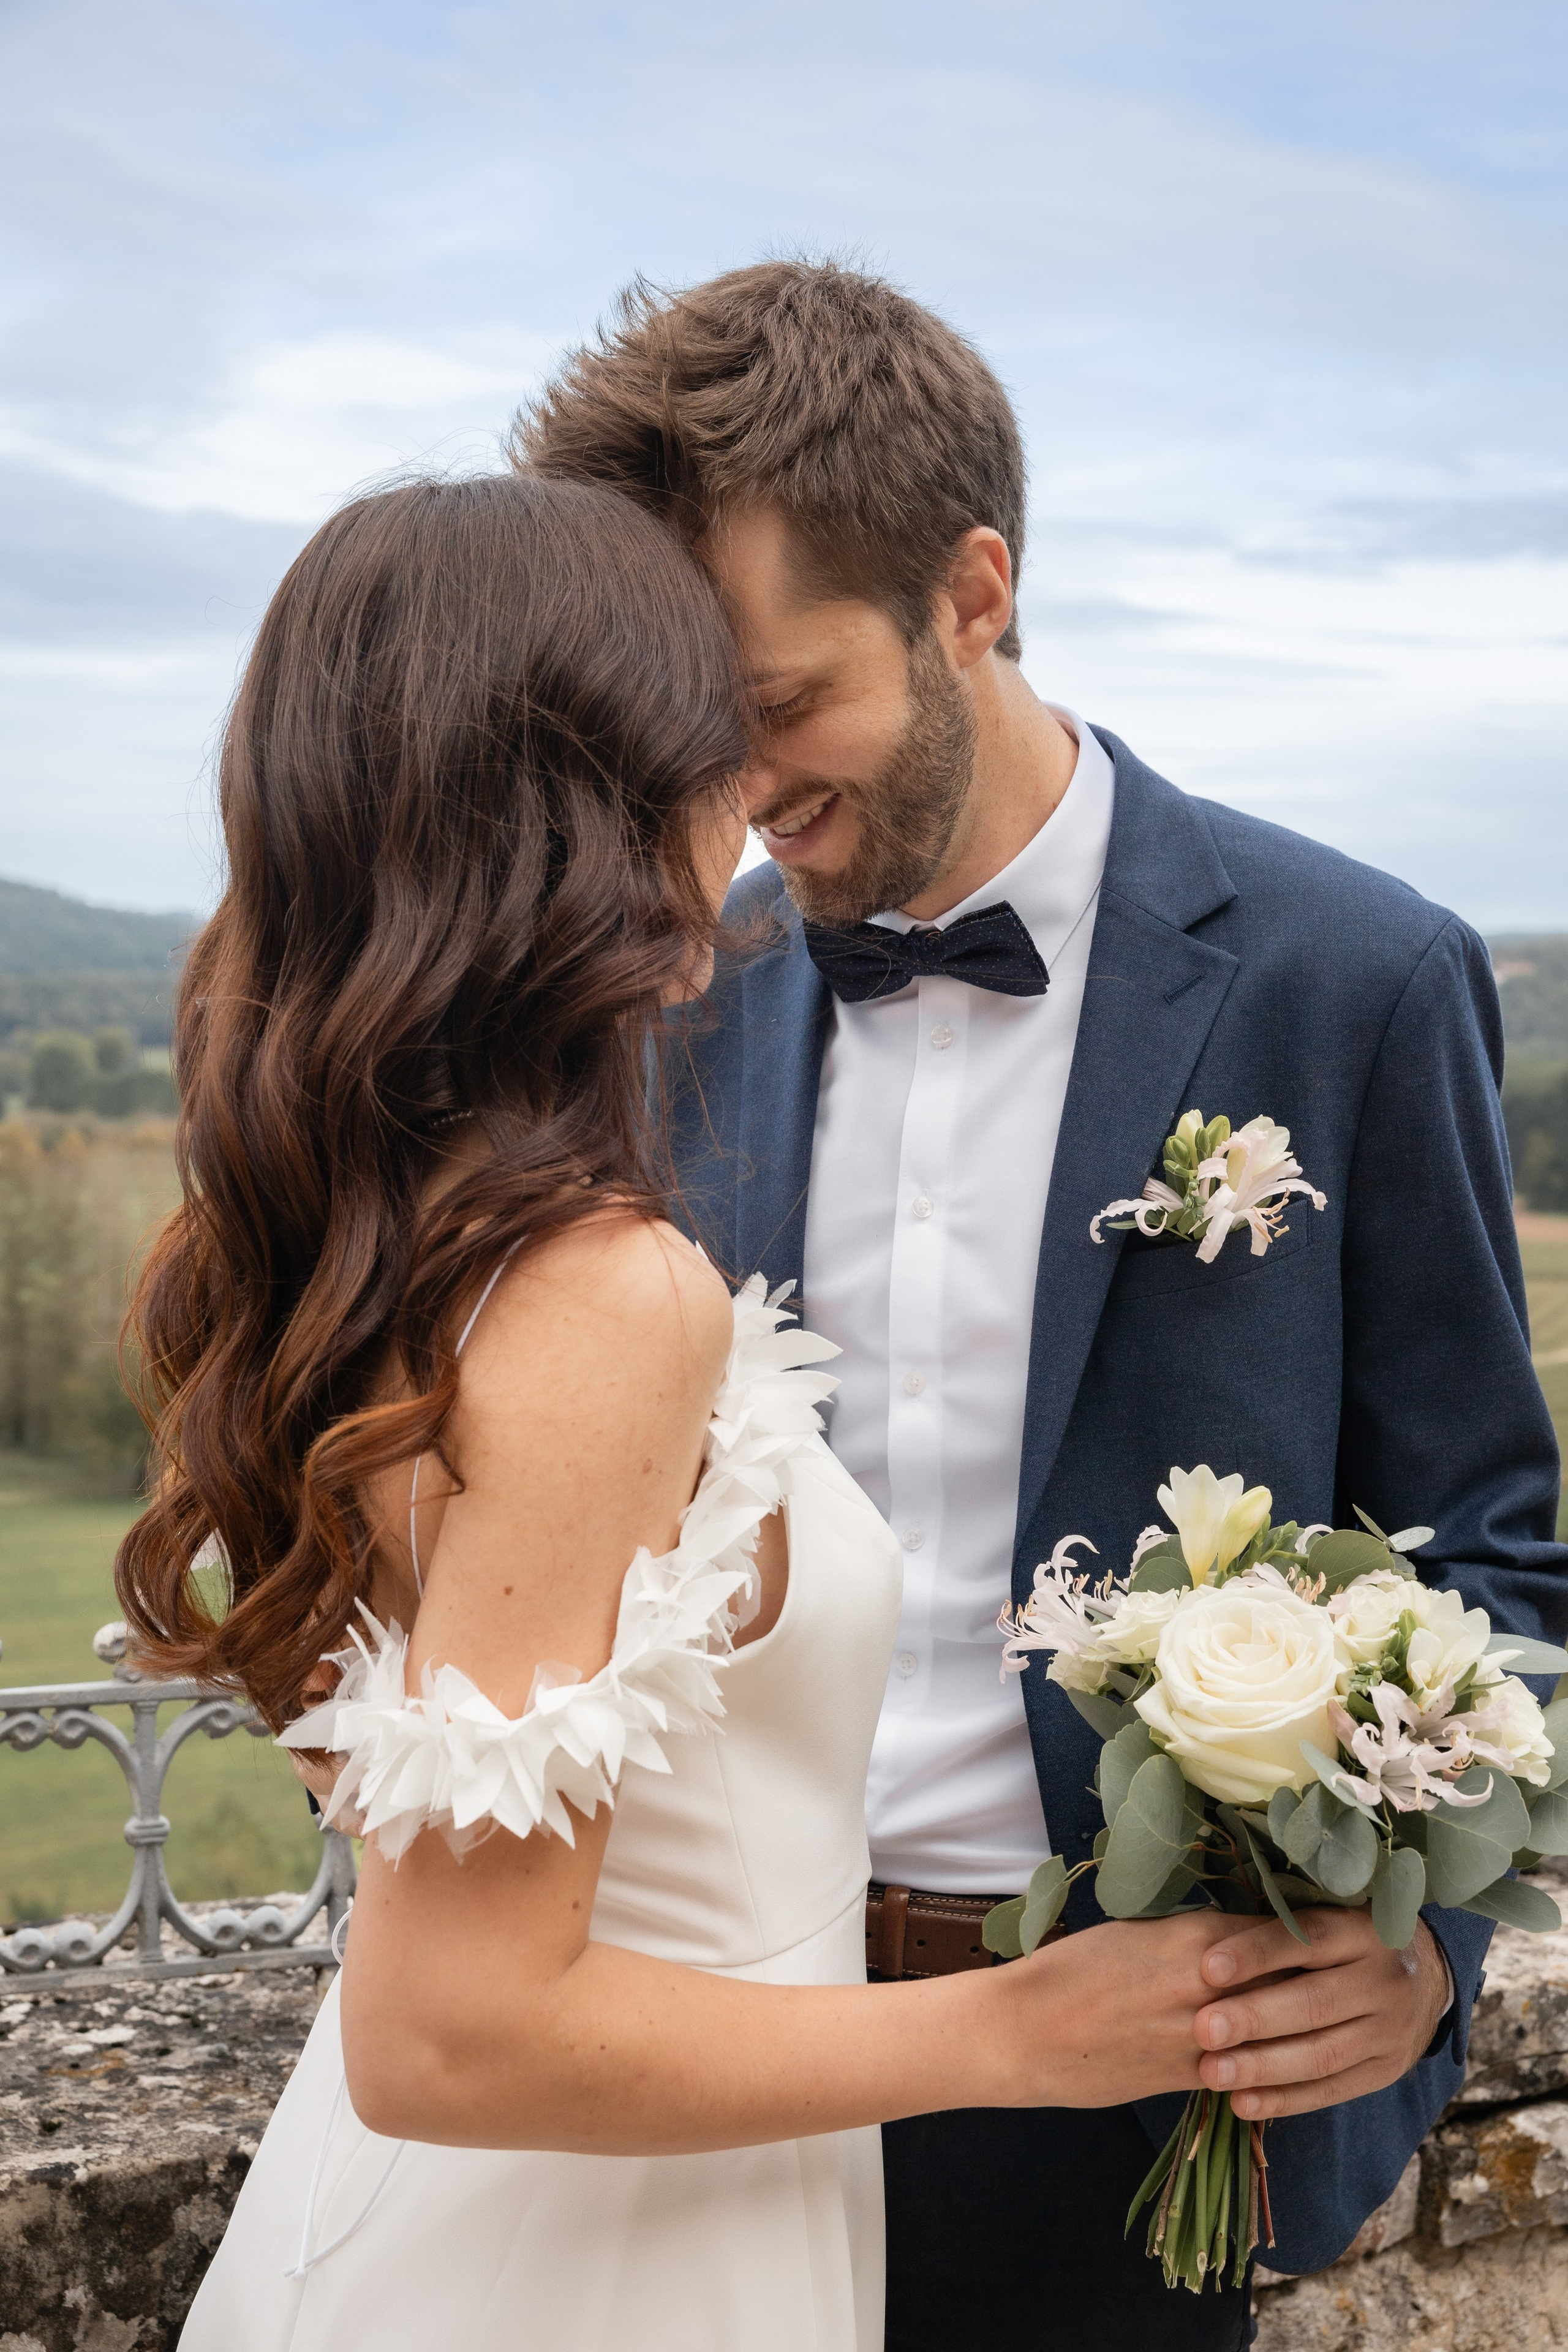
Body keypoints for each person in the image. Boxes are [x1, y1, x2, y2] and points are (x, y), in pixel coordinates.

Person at [515, 260, 1568, 2350]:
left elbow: (1504, 1564)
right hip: (714, 2053)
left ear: (972, 588)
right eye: (687, 738)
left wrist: (1423, 1953)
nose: (734, 796)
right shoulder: (658, 1005)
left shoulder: (1353, 975)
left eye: (782, 706)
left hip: (1147, 2084)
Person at [115, 471, 1279, 2352]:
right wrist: (1021, 2035)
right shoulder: (596, 1289)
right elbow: (451, 2031)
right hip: (593, 2267)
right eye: (702, 742)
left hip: (518, 2217)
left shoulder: (383, 1231)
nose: (740, 802)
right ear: (578, 805)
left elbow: (400, 1781)